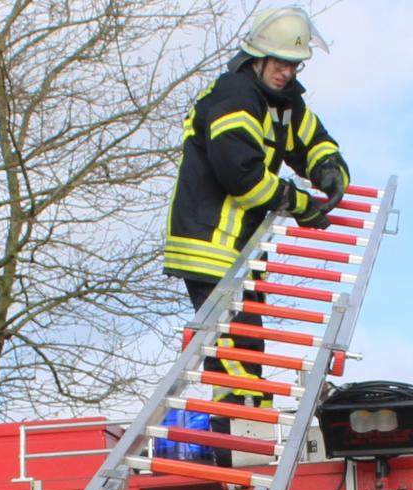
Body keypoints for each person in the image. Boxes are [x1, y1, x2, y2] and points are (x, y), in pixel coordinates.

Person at [164, 6, 350, 464]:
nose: (287, 73)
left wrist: (330, 170)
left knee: (247, 342)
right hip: (210, 242)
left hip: (243, 249)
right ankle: (236, 437)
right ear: (257, 58)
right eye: (280, 64)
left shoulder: (284, 105)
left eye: (294, 65)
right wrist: (300, 202)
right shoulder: (233, 96)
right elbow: (241, 176)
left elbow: (315, 141)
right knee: (233, 344)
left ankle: (249, 426)